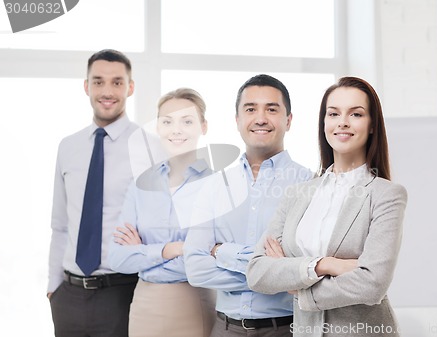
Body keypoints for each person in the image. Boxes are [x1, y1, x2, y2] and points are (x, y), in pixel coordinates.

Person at [246, 76, 408, 337]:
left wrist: (297, 285)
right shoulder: (297, 193)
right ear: (324, 124)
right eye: (333, 113)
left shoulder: (386, 195)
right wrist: (323, 265)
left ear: (371, 126)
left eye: (355, 114)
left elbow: (373, 283)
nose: (342, 121)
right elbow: (257, 272)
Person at [183, 74, 313, 337]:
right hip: (225, 329)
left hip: (286, 329)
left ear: (288, 120)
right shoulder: (214, 186)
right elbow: (195, 268)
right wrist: (271, 272)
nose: (261, 118)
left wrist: (222, 252)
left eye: (272, 109)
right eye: (251, 109)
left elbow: (306, 269)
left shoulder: (311, 184)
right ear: (238, 120)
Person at [108, 88, 215, 337]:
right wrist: (172, 249)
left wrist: (143, 253)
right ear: (158, 127)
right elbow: (117, 258)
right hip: (144, 306)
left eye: (187, 121)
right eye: (167, 121)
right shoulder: (141, 184)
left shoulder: (217, 185)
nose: (176, 130)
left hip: (193, 304)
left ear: (203, 126)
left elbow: (205, 262)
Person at [48, 49, 139, 336]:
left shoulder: (147, 148)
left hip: (122, 291)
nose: (107, 91)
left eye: (117, 82)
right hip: (68, 295)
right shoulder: (68, 146)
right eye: (98, 82)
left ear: (130, 87)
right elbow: (60, 224)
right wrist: (53, 287)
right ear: (87, 86)